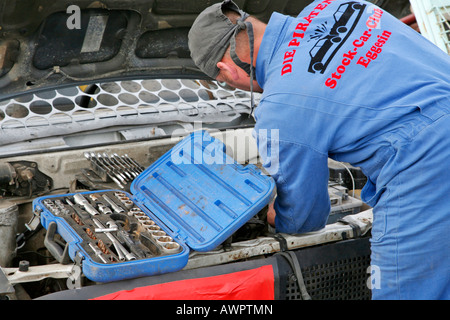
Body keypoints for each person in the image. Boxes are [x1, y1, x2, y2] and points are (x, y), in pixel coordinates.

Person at [188, 0, 450, 300]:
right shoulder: (336, 5)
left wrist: (272, 213)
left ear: (225, 70)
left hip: (427, 165)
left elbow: (305, 217)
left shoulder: (281, 108)